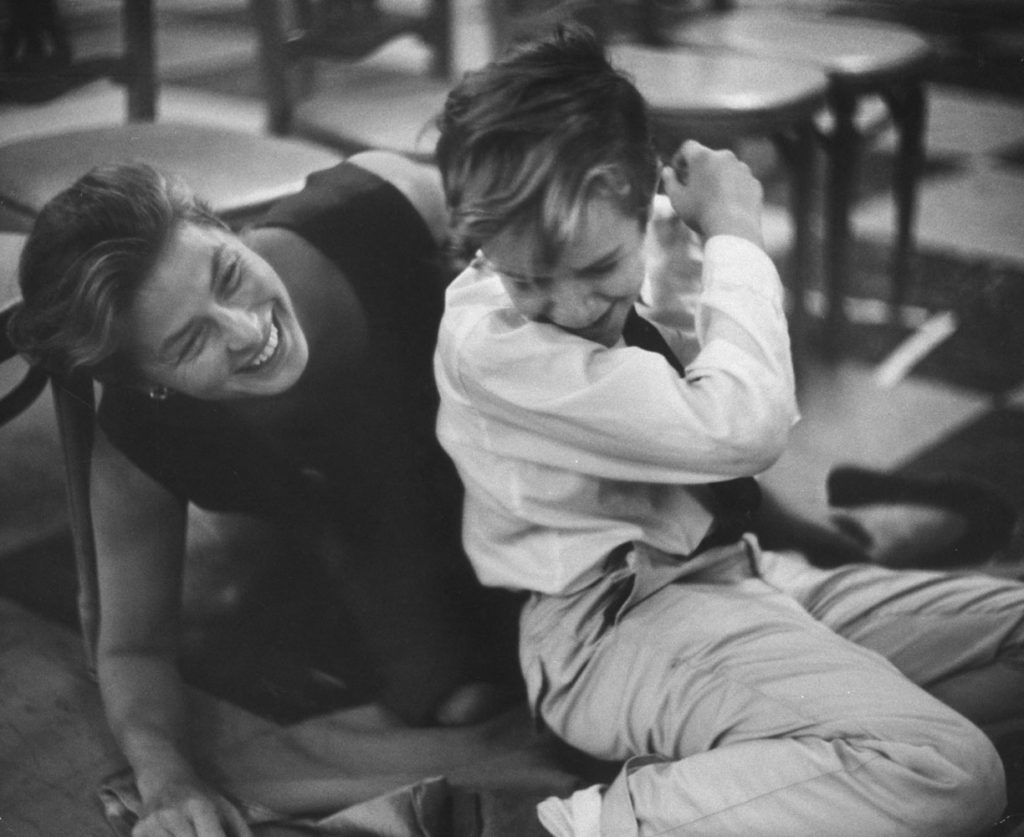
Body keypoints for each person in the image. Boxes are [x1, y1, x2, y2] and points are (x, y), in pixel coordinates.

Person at [432, 24, 1024, 837]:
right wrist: (735, 227)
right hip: (609, 632)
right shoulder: (490, 343)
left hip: (739, 575)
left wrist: (691, 234)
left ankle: (758, 768)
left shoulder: (637, 220)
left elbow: (714, 382)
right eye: (529, 277)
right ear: (485, 245)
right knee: (949, 770)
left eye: (600, 268)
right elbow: (740, 429)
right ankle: (568, 824)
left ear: (642, 197)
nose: (570, 310)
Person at [8, 152, 520, 837]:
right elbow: (133, 647)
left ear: (228, 229)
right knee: (448, 699)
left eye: (228, 274)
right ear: (147, 382)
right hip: (359, 509)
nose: (249, 331)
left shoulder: (390, 212)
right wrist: (169, 779)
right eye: (191, 342)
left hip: (518, 439)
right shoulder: (142, 437)